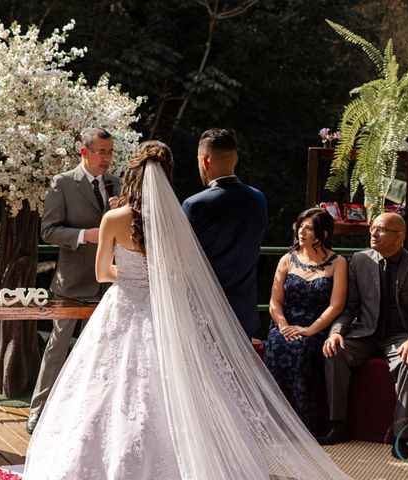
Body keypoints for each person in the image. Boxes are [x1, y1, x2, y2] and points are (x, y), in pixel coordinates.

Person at [22, 141, 350, 479]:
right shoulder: (176, 220)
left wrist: (134, 274)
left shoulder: (113, 218)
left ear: (132, 177)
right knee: (176, 383)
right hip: (164, 311)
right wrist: (156, 277)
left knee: (104, 384)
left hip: (122, 306)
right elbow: (179, 273)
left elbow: (102, 273)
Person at [26, 127, 121, 434]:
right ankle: (37, 414)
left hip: (108, 282)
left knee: (101, 351)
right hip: (71, 282)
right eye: (101, 152)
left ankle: (89, 416)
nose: (107, 159)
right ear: (84, 152)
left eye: (110, 152)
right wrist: (85, 236)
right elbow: (48, 231)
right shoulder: (62, 183)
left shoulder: (116, 182)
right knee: (57, 349)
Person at [319, 213, 408, 460]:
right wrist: (336, 333)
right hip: (365, 334)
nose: (373, 233)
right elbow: (348, 307)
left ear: (399, 236)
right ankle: (338, 424)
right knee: (334, 351)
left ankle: (402, 435)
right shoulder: (359, 260)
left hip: (399, 336)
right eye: (373, 228)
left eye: (381, 230)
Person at [264, 208, 347, 433]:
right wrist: (282, 326)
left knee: (302, 349)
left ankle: (303, 424)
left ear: (324, 233)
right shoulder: (287, 260)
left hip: (317, 325)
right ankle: (275, 423)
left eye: (309, 227)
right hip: (285, 323)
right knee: (280, 345)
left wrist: (310, 330)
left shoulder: (338, 263)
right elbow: (274, 302)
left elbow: (336, 305)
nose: (302, 231)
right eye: (301, 226)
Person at [182, 128, 267, 338]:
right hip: (244, 311)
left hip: (204, 310)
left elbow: (181, 256)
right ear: (236, 158)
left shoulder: (195, 204)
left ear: (205, 161)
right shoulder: (258, 199)